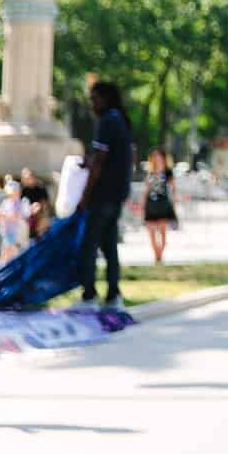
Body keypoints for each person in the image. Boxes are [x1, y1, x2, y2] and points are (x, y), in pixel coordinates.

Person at [77, 78, 133, 309]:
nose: (92, 104)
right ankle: (113, 295)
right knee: (109, 246)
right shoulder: (121, 121)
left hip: (102, 195)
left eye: (94, 99)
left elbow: (100, 162)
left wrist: (85, 196)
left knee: (89, 245)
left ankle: (89, 295)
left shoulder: (106, 122)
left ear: (105, 99)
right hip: (117, 193)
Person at [142, 149, 178, 265]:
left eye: (159, 156)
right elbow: (146, 190)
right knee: (151, 231)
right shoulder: (150, 173)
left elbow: (173, 189)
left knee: (163, 231)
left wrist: (174, 204)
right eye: (155, 157)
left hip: (164, 204)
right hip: (151, 204)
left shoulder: (168, 173)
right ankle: (156, 255)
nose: (157, 159)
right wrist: (142, 205)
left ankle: (160, 257)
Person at [0, 178, 30, 264]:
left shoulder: (19, 203)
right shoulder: (6, 202)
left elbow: (16, 217)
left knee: (10, 253)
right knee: (7, 252)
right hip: (6, 231)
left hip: (15, 232)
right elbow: (1, 215)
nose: (11, 195)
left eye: (14, 192)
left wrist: (3, 215)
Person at [18, 167, 51, 240]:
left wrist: (44, 217)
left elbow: (45, 204)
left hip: (39, 213)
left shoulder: (40, 187)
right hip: (28, 214)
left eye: (28, 177)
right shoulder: (22, 190)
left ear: (33, 177)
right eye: (24, 178)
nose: (25, 180)